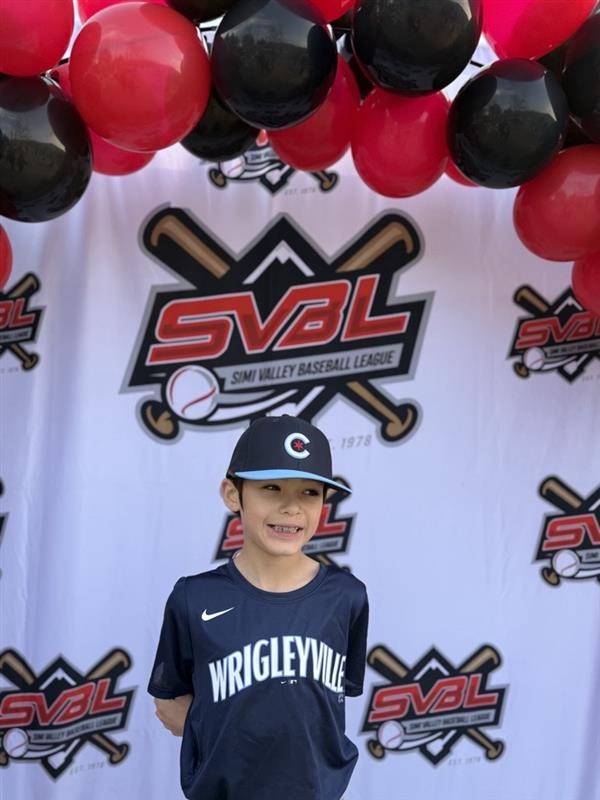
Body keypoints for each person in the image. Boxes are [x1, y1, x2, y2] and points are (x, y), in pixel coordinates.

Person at [148, 414, 369, 800]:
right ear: (233, 494)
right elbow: (169, 703)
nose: (291, 507)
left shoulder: (346, 596)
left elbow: (331, 703)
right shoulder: (194, 597)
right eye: (271, 487)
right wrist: (223, 737)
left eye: (309, 492)